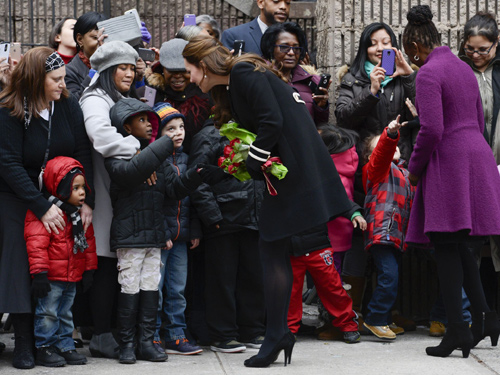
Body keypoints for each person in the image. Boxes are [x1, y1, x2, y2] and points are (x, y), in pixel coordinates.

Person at [183, 35, 355, 368]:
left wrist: (252, 160)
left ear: (203, 67)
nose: (189, 79)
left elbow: (271, 122)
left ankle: (277, 335)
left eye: (189, 70)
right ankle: (278, 334)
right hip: (292, 171)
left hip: (294, 173)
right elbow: (259, 131)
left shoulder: (244, 72)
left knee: (271, 250)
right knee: (272, 250)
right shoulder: (236, 81)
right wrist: (225, 168)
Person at [402, 4, 500, 357]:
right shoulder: (462, 68)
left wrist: (414, 168)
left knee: (445, 246)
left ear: (413, 47)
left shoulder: (428, 73)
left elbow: (431, 129)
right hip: (476, 157)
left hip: (449, 164)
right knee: (459, 246)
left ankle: (457, 329)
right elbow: (476, 118)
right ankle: (487, 317)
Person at [106, 97, 220, 364]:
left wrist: (196, 174)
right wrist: (166, 141)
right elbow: (131, 173)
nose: (149, 125)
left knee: (150, 288)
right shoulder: (117, 156)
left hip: (154, 236)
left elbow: (175, 190)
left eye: (150, 120)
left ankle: (147, 342)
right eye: (142, 120)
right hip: (131, 236)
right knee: (130, 289)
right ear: (126, 126)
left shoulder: (157, 157)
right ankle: (127, 344)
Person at [0, 47, 94, 369]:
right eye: (55, 79)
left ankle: (55, 338)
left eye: (64, 77)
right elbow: (9, 164)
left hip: (62, 194)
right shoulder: (10, 109)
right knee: (20, 251)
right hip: (16, 195)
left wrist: (85, 200)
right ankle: (25, 338)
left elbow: (83, 149)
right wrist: (40, 206)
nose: (62, 85)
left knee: (61, 259)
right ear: (35, 81)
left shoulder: (67, 105)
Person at [79, 40, 140, 359]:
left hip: (118, 192)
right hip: (100, 193)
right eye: (123, 67)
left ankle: (111, 332)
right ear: (106, 70)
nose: (129, 73)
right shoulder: (93, 98)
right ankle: (101, 334)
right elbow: (101, 137)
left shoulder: (117, 97)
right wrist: (138, 149)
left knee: (116, 265)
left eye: (132, 67)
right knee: (104, 264)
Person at [188, 119, 266, 354]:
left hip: (254, 217)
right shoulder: (209, 135)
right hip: (224, 217)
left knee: (253, 277)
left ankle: (252, 330)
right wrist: (212, 216)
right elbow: (197, 178)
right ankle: (222, 335)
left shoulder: (254, 130)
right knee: (221, 280)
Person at [25, 156, 97, 367]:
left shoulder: (78, 215)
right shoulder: (46, 213)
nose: (82, 192)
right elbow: (36, 243)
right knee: (48, 313)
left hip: (72, 275)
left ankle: (65, 345)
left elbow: (89, 243)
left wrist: (89, 270)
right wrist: (39, 274)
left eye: (83, 187)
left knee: (66, 313)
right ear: (61, 188)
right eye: (76, 188)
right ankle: (45, 346)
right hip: (51, 277)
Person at [151, 102, 203, 355]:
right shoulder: (154, 160)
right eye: (170, 129)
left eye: (181, 127)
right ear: (158, 134)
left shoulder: (187, 158)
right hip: (163, 238)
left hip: (182, 237)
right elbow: (154, 201)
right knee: (157, 289)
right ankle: (154, 334)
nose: (178, 132)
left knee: (177, 289)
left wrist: (193, 229)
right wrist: (161, 231)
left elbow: (192, 199)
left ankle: (176, 334)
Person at [360, 116, 415, 341]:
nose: (391, 148)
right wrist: (390, 135)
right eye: (382, 146)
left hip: (396, 235)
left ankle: (382, 317)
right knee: (388, 277)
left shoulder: (404, 173)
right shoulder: (377, 170)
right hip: (381, 231)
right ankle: (375, 319)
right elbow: (382, 153)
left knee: (389, 277)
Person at [335, 22, 416, 162]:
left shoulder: (404, 78)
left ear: (394, 47)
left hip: (401, 160)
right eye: (372, 44)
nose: (379, 49)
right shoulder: (352, 79)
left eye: (386, 43)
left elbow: (420, 117)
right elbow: (343, 121)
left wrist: (409, 77)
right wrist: (371, 91)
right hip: (365, 160)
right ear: (364, 49)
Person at [144, 38, 211, 153]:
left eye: (183, 71)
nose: (177, 76)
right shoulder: (151, 92)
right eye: (171, 71)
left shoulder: (205, 92)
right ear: (162, 69)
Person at [260, 22, 329, 125]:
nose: (291, 53)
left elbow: (320, 125)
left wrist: (321, 106)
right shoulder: (259, 77)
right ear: (271, 49)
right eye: (284, 47)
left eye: (296, 48)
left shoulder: (312, 81)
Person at [221, 0, 290, 54]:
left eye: (287, 3)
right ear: (261, 3)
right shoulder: (233, 35)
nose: (283, 7)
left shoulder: (293, 37)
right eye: (276, 1)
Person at [65, 12, 107, 100]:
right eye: (95, 38)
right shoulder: (69, 72)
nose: (101, 42)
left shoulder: (115, 65)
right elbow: (74, 103)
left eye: (105, 38)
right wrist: (96, 68)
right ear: (80, 39)